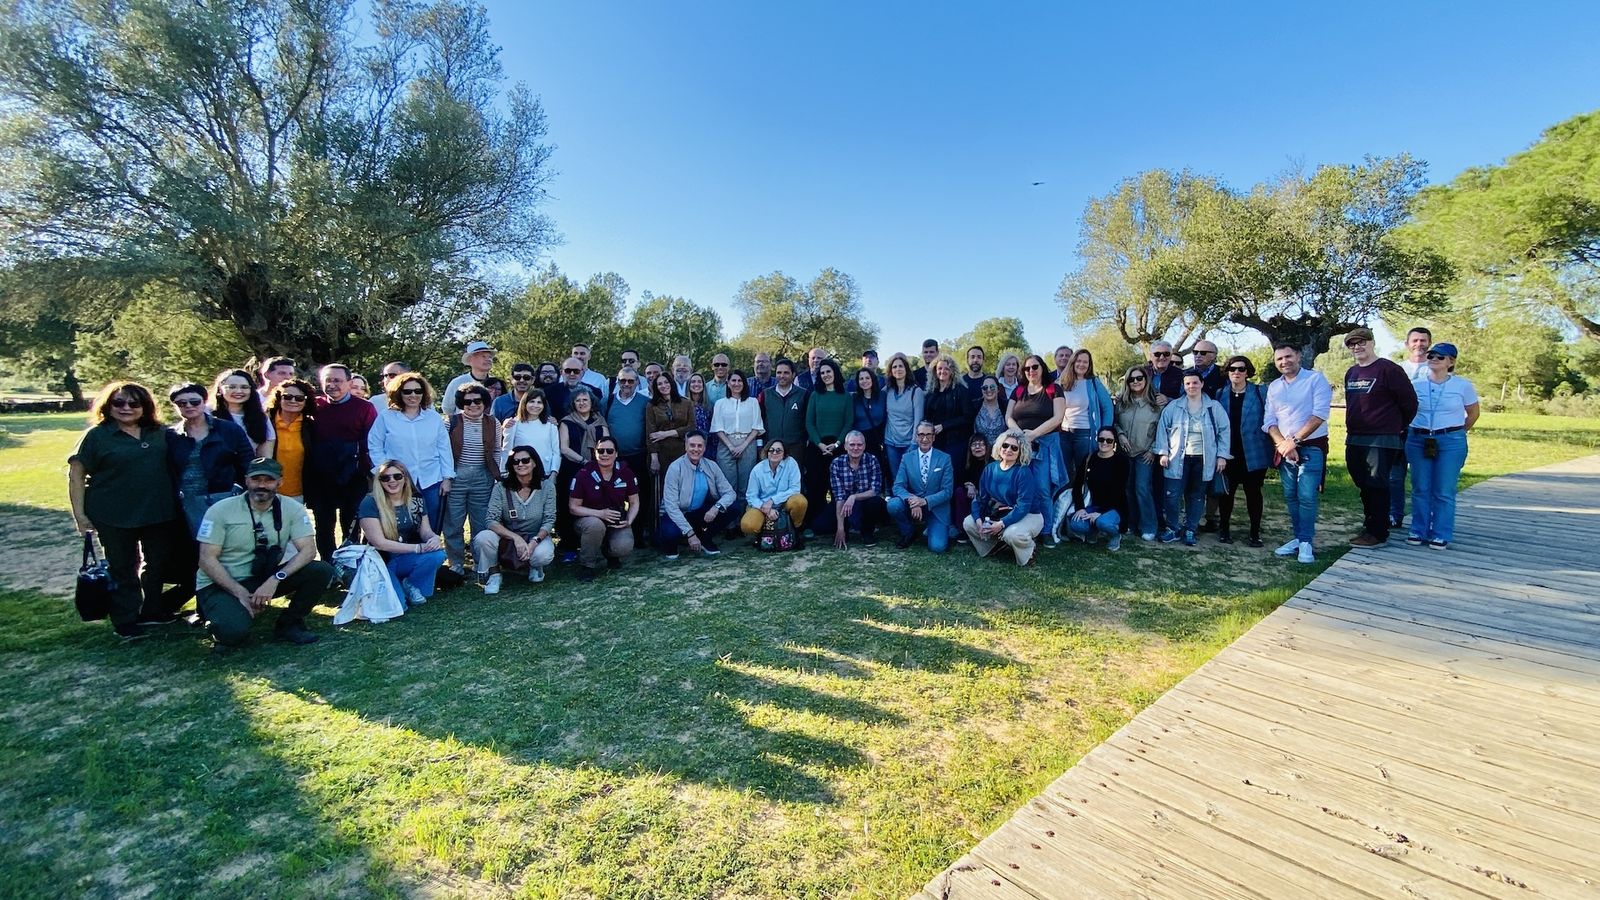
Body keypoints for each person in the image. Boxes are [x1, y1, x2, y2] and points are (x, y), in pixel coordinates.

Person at [68, 382, 181, 639]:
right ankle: (126, 620)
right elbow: (76, 475)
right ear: (108, 406)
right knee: (122, 566)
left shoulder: (159, 432)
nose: (126, 408)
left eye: (134, 403)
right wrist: (80, 515)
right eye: (118, 403)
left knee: (157, 564)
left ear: (145, 406)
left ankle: (153, 611)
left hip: (159, 511)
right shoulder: (97, 436)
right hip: (113, 513)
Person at [193, 458, 332, 648]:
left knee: (321, 570)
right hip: (220, 583)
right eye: (256, 479)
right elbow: (206, 559)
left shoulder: (292, 508)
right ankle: (217, 615)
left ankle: (290, 624)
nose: (262, 485)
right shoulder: (220, 510)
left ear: (279, 482)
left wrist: (275, 579)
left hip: (263, 577)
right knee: (234, 634)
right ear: (246, 480)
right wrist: (239, 592)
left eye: (268, 480)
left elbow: (308, 550)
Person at [1342, 327, 1418, 547]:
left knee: (1377, 484)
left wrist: (1395, 426)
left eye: (1361, 342)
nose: (1357, 347)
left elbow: (1409, 403)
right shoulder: (1352, 373)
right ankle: (1370, 525)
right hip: (1355, 437)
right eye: (1352, 344)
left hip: (1381, 439)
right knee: (1362, 483)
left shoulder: (1388, 369)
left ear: (1372, 342)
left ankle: (1379, 533)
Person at [1263, 344, 1334, 564]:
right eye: (1279, 359)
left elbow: (1319, 415)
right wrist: (1284, 445)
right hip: (1285, 449)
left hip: (1311, 446)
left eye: (1288, 356)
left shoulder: (1315, 380)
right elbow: (1269, 421)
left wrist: (1294, 441)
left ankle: (1306, 542)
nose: (1284, 362)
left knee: (1306, 496)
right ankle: (1298, 537)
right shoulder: (1274, 387)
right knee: (1291, 496)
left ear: (1298, 356)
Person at [1406, 343, 1479, 550]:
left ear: (1451, 361)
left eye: (1440, 357)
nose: (1434, 359)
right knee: (1420, 487)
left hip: (1450, 441)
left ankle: (1440, 533)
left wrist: (1457, 432)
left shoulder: (1462, 385)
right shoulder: (1416, 384)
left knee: (1444, 489)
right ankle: (1418, 530)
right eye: (1431, 355)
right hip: (1419, 439)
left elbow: (1473, 413)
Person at [306, 364, 377, 559]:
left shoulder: (364, 408)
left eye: (337, 380)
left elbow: (370, 442)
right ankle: (329, 565)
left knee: (351, 524)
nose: (332, 385)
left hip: (354, 475)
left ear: (348, 382)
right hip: (320, 476)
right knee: (323, 524)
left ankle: (349, 563)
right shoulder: (314, 406)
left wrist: (369, 474)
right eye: (328, 380)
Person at [367, 372, 454, 528]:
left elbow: (444, 448)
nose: (413, 395)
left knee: (432, 524)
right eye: (407, 391)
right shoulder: (386, 417)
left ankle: (429, 551)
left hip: (431, 480)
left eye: (417, 391)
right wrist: (384, 471)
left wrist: (447, 478)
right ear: (399, 393)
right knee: (401, 523)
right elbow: (374, 444)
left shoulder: (433, 418)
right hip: (398, 481)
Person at [167, 382, 253, 537]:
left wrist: (244, 490)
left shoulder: (229, 429)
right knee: (193, 549)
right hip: (186, 502)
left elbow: (247, 462)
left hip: (224, 497)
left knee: (228, 545)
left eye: (194, 401)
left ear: (204, 402)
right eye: (182, 403)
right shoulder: (170, 435)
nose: (189, 406)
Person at [1156, 373, 1231, 546]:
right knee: (1172, 495)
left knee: (1197, 496)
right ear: (1184, 385)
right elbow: (1162, 430)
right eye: (1188, 383)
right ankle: (1172, 528)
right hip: (1177, 458)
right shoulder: (1174, 407)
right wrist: (1163, 453)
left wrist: (1222, 456)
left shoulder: (1213, 407)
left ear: (1202, 383)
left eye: (1195, 382)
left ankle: (1190, 529)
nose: (1191, 386)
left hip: (1204, 459)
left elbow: (1224, 432)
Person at [358, 459, 446, 607]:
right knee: (398, 606)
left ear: (405, 478)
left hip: (405, 557)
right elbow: (379, 543)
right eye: (385, 478)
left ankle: (409, 584)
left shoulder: (416, 499)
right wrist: (417, 548)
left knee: (438, 555)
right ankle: (398, 588)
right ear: (379, 481)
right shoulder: (370, 502)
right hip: (382, 561)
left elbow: (425, 531)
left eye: (397, 476)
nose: (392, 481)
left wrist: (433, 538)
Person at [474, 446, 556, 592]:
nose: (520, 464)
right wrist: (515, 538)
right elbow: (491, 519)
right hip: (507, 535)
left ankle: (535, 566)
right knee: (483, 538)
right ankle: (494, 574)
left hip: (535, 535)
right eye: (515, 461)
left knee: (543, 554)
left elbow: (549, 520)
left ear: (534, 463)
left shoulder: (547, 487)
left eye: (525, 460)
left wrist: (534, 541)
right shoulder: (501, 487)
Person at [443, 383, 501, 577]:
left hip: (482, 477)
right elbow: (442, 453)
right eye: (468, 402)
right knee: (453, 524)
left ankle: (480, 563)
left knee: (481, 524)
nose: (473, 405)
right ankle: (456, 564)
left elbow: (497, 451)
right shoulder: (450, 422)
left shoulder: (494, 423)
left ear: (484, 402)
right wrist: (446, 478)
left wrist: (496, 477)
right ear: (461, 403)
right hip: (456, 477)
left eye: (478, 401)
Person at [963, 429, 1044, 566]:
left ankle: (1029, 553)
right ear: (999, 447)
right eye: (1005, 445)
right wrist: (978, 519)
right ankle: (993, 546)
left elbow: (1023, 507)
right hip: (999, 512)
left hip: (1029, 515)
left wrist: (1001, 524)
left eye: (1014, 448)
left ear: (1021, 451)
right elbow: (980, 498)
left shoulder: (1023, 472)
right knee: (969, 522)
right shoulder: (990, 469)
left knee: (1011, 534)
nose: (1008, 450)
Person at [1215, 356, 1273, 547]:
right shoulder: (1220, 394)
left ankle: (1255, 532)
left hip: (1253, 452)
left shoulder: (1259, 392)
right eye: (1232, 369)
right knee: (1226, 494)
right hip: (1228, 453)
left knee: (1253, 493)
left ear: (1248, 372)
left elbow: (1271, 418)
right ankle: (1224, 529)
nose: (1236, 373)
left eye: (1241, 369)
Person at [1005, 354, 1066, 533]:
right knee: (1020, 487)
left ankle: (1047, 530)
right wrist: (1020, 435)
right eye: (1027, 368)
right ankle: (1021, 526)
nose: (1031, 371)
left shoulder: (1053, 389)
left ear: (1042, 368)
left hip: (1045, 445)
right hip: (1020, 446)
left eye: (1035, 367)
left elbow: (1058, 417)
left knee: (1042, 489)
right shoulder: (1018, 391)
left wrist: (1035, 434)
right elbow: (1008, 416)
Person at [568, 436, 640, 582]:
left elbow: (634, 502)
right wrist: (600, 514)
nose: (605, 454)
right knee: (595, 525)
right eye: (600, 451)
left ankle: (611, 554)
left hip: (615, 519)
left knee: (624, 546)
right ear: (595, 453)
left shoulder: (626, 473)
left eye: (609, 450)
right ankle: (587, 567)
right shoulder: (583, 474)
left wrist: (629, 520)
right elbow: (573, 507)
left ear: (616, 454)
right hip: (588, 520)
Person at [658, 431, 737, 559]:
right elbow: (671, 506)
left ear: (705, 448)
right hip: (675, 513)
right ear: (686, 447)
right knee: (670, 533)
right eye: (692, 445)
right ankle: (672, 546)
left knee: (734, 507)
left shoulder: (711, 465)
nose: (696, 449)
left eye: (700, 446)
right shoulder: (675, 468)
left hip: (697, 512)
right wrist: (690, 534)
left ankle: (705, 539)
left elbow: (730, 493)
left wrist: (716, 508)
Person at [556, 389, 610, 559]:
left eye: (585, 399)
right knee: (569, 506)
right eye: (578, 400)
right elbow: (564, 448)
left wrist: (599, 463)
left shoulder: (600, 421)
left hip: (599, 469)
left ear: (591, 402)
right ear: (573, 403)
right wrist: (583, 461)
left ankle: (598, 543)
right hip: (572, 469)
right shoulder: (566, 422)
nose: (581, 403)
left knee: (599, 501)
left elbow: (607, 443)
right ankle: (570, 546)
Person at [1390, 326, 1434, 528]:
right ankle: (1394, 515)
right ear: (1407, 344)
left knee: (1423, 480)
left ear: (1429, 344)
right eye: (1415, 341)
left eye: (1423, 341)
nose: (1419, 344)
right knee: (1395, 477)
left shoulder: (1436, 369)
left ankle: (1423, 521)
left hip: (1425, 431)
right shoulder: (1396, 369)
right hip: (1400, 430)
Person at [887, 421, 953, 552]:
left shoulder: (945, 458)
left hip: (936, 507)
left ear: (934, 437)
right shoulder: (906, 458)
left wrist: (924, 501)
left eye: (929, 435)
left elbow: (947, 491)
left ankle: (935, 528)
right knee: (893, 505)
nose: (925, 439)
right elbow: (898, 486)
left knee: (937, 547)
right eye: (921, 434)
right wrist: (913, 500)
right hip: (913, 503)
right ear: (916, 437)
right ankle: (908, 531)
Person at [1114, 365, 1162, 540]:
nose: (1135, 382)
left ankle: (1149, 526)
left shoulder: (1155, 404)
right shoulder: (1122, 403)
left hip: (1145, 453)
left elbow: (1162, 430)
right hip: (1125, 452)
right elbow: (1115, 423)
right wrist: (1120, 435)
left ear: (1145, 380)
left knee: (1142, 488)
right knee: (1127, 489)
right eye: (1131, 379)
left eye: (1139, 378)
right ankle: (1130, 524)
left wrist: (1153, 450)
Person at [804, 359, 852, 531]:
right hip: (817, 447)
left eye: (828, 371)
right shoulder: (815, 395)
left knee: (838, 487)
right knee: (816, 485)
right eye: (822, 373)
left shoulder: (845, 396)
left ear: (835, 373)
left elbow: (848, 422)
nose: (825, 375)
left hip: (838, 447)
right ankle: (812, 524)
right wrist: (819, 444)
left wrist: (838, 443)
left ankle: (840, 523)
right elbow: (809, 423)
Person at [605, 367, 652, 539]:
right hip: (613, 458)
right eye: (622, 380)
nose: (626, 384)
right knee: (613, 495)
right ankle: (614, 533)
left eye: (630, 381)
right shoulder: (607, 402)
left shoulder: (645, 402)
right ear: (617, 382)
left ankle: (638, 533)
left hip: (638, 456)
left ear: (638, 382)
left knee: (640, 495)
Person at [1057, 349, 1115, 486]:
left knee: (1082, 474)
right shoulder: (1062, 382)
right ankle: (1064, 504)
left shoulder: (1093, 383)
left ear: (1089, 365)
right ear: (1073, 362)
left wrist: (1104, 430)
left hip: (1085, 434)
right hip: (1063, 434)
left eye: (1085, 362)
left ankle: (1082, 504)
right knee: (1064, 474)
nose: (1081, 364)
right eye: (1079, 361)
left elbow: (1108, 407)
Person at [1068, 427, 1131, 551]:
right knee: (1076, 524)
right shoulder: (1089, 458)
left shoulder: (1121, 461)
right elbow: (1077, 485)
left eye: (1109, 440)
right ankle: (1093, 530)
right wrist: (1080, 508)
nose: (1105, 443)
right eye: (1101, 439)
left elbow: (1119, 491)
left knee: (1103, 522)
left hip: (1114, 507)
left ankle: (1115, 535)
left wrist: (1100, 514)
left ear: (1114, 443)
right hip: (1093, 504)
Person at [710, 369, 762, 518]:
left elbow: (757, 427)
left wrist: (742, 446)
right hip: (726, 444)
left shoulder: (752, 402)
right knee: (728, 485)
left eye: (740, 381)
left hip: (747, 443)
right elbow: (717, 428)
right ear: (728, 383)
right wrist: (732, 446)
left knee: (745, 485)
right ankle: (729, 522)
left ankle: (743, 520)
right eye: (733, 380)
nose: (736, 384)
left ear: (744, 383)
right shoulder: (720, 403)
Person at [829, 430, 887, 548]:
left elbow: (875, 490)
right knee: (820, 525)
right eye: (852, 445)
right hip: (844, 505)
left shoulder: (872, 460)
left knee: (876, 502)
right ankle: (845, 528)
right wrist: (840, 528)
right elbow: (839, 496)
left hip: (865, 502)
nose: (856, 448)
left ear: (864, 446)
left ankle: (867, 531)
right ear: (845, 446)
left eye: (859, 444)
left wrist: (854, 497)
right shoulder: (836, 463)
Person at [741, 439, 807, 537]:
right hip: (762, 506)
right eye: (771, 450)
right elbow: (751, 496)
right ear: (767, 452)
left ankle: (795, 530)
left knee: (800, 501)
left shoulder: (791, 463)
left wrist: (772, 500)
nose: (774, 453)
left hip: (784, 503)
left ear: (784, 453)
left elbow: (795, 489)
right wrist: (766, 509)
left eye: (778, 450)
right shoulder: (757, 470)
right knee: (748, 525)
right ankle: (764, 535)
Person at [267, 379, 315, 503]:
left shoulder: (311, 427)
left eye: (299, 398)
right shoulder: (266, 423)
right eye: (287, 397)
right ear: (279, 399)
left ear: (306, 401)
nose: (293, 401)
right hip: (267, 491)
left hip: (298, 493)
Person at [881, 353, 925, 484]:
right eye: (894, 367)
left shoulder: (916, 392)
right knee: (896, 479)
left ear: (906, 369)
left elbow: (918, 420)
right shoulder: (887, 390)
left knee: (910, 479)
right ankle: (898, 504)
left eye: (901, 366)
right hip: (891, 443)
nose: (897, 369)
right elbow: (871, 393)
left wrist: (914, 443)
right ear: (890, 370)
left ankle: (912, 503)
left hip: (909, 443)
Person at [213, 368, 275, 457]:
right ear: (220, 389)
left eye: (244, 387)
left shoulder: (261, 418)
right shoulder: (208, 415)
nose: (239, 391)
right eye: (232, 387)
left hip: (249, 468)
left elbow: (265, 457)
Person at [502, 388, 559, 481]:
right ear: (524, 403)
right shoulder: (513, 423)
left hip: (545, 473)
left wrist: (554, 473)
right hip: (520, 473)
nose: (535, 405)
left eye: (539, 402)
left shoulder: (551, 425)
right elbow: (507, 449)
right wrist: (503, 471)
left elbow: (556, 452)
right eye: (532, 401)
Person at [925, 353, 973, 458]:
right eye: (940, 368)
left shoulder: (961, 391)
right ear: (935, 371)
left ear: (952, 371)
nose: (943, 371)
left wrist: (944, 426)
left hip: (955, 442)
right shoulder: (931, 393)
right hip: (935, 442)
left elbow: (968, 417)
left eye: (947, 368)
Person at [951, 433, 991, 542]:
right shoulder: (966, 462)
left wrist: (977, 490)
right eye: (974, 445)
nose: (977, 447)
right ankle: (962, 530)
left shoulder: (992, 463)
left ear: (987, 447)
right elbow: (959, 480)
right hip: (971, 494)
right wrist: (969, 485)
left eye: (981, 445)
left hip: (986, 496)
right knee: (959, 492)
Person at [443, 340, 495, 416]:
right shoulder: (457, 383)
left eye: (490, 357)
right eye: (483, 356)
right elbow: (447, 409)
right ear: (470, 360)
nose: (488, 359)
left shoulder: (496, 383)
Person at [851, 366, 887, 463]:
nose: (864, 381)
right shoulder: (854, 398)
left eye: (867, 378)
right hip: (859, 442)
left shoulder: (882, 396)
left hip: (878, 440)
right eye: (861, 379)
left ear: (872, 379)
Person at [1142, 341, 1183, 406]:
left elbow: (1186, 398)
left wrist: (1168, 400)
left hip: (1171, 412)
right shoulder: (1142, 372)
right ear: (1150, 356)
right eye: (1157, 354)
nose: (1162, 357)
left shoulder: (1180, 375)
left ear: (1171, 356)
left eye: (1166, 354)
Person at [972, 376, 1008, 449]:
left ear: (998, 389)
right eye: (985, 387)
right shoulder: (974, 406)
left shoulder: (1006, 406)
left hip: (1002, 451)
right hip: (980, 451)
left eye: (992, 387)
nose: (988, 390)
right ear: (981, 390)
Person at [686, 372, 715, 454]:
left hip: (707, 446)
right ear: (689, 384)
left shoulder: (709, 405)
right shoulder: (683, 404)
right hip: (689, 446)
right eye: (693, 382)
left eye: (699, 382)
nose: (696, 384)